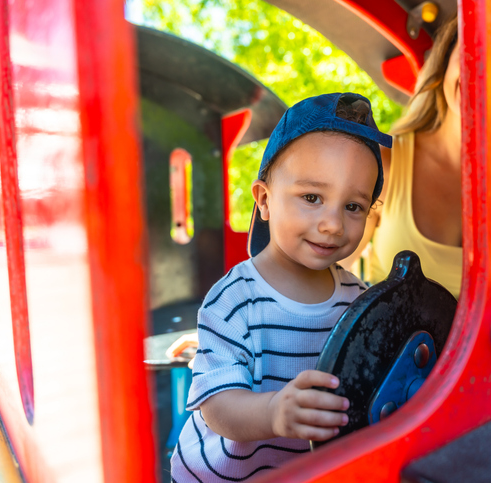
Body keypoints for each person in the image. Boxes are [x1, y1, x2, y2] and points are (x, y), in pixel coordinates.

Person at [170, 92, 392, 482]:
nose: (332, 224)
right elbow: (217, 407)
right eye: (312, 197)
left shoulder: (360, 301)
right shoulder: (234, 301)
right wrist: (274, 412)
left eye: (353, 206)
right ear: (265, 200)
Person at [340, 15, 463, 298]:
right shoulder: (384, 162)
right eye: (472, 52)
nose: (480, 73)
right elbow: (321, 281)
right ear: (447, 58)